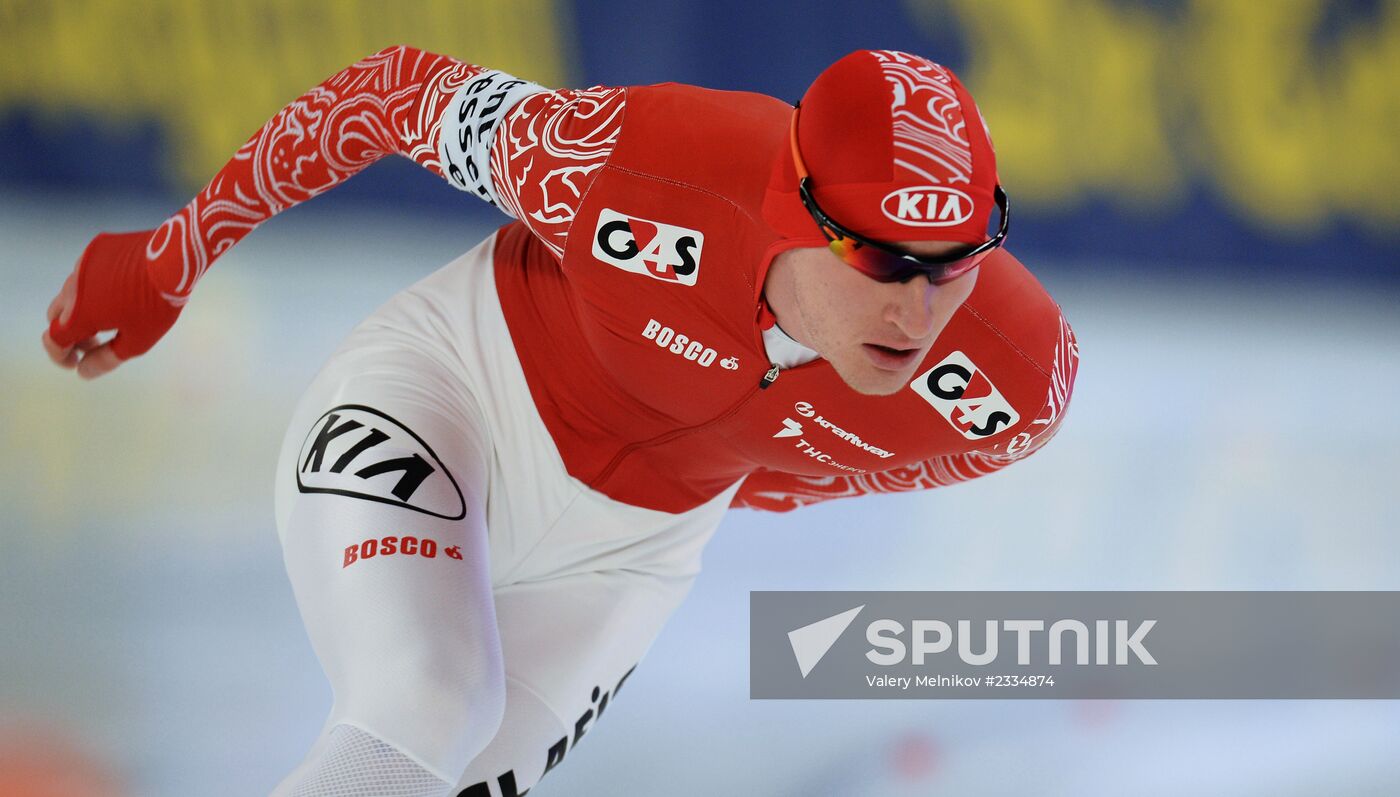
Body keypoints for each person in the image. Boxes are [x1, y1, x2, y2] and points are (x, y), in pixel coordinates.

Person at [41, 46, 1078, 797]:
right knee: (424, 708)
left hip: (626, 557)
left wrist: (794, 477)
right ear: (790, 205)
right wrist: (171, 257)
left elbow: (992, 438)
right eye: (882, 260)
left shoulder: (1015, 374)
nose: (916, 310)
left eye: (952, 267)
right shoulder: (634, 160)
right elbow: (392, 90)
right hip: (451, 398)